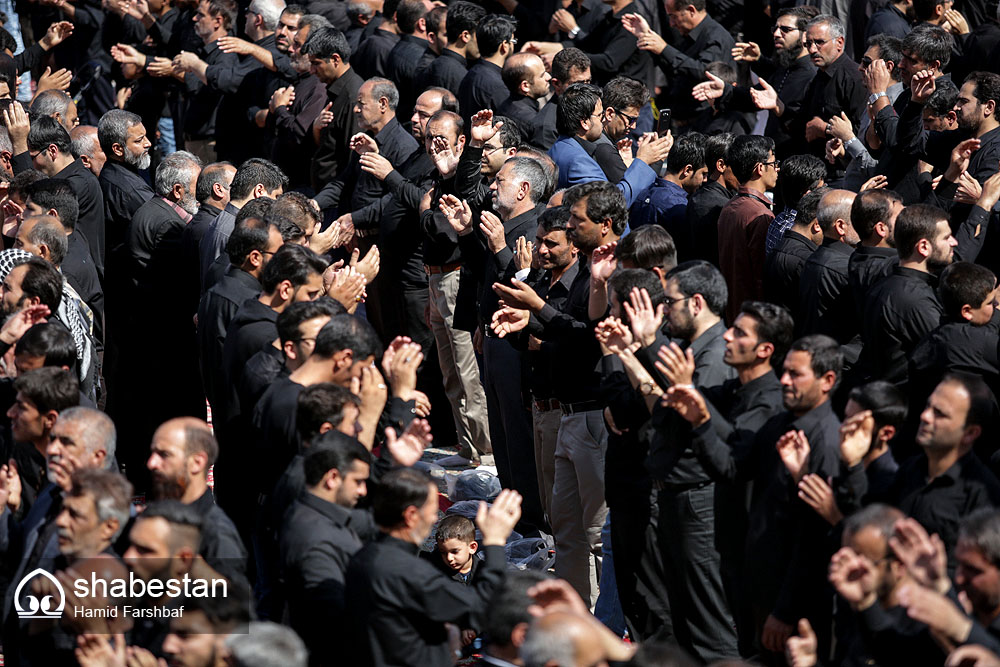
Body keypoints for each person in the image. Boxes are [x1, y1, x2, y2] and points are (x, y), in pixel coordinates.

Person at [666, 335, 844, 659]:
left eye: (796, 374)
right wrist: (701, 422)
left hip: (792, 605)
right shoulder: (780, 424)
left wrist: (785, 612)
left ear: (827, 380)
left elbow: (812, 540)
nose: (785, 381)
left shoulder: (827, 441)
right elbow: (734, 469)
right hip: (758, 587)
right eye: (785, 371)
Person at [345, 467, 522, 666]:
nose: (433, 519)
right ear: (412, 515)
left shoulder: (362, 555)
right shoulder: (411, 572)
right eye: (431, 512)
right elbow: (480, 607)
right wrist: (495, 542)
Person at [279, 435, 376, 665]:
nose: (363, 491)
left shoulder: (311, 510)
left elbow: (367, 522)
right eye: (358, 481)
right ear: (333, 477)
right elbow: (335, 623)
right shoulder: (317, 544)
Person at [146, 417, 248, 579]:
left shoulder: (216, 535)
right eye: (152, 453)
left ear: (197, 462)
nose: (152, 463)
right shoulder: (155, 517)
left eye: (164, 455)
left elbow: (230, 600)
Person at [25, 115, 105, 278]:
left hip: (77, 277)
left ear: (52, 151)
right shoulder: (69, 181)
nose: (32, 164)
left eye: (32, 158)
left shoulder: (79, 184)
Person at [716, 135, 779, 323]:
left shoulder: (730, 206)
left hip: (732, 312)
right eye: (774, 164)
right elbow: (760, 278)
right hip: (753, 317)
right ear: (760, 168)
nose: (777, 169)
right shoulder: (761, 216)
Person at [200, 156, 287, 283]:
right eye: (276, 196)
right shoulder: (238, 230)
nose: (277, 203)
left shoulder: (218, 220)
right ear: (259, 191)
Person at [630, 132, 708, 259]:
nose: (705, 180)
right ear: (687, 170)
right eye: (703, 174)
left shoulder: (643, 192)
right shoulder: (679, 208)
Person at [305, 26, 364, 192]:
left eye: (316, 64)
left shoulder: (353, 98)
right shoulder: (335, 90)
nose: (312, 70)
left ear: (335, 59)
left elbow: (351, 158)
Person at [796, 188, 859, 342]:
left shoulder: (813, 259)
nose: (867, 224)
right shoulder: (846, 268)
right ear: (840, 226)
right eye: (859, 218)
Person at [687, 132, 738, 266]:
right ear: (721, 165)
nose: (744, 170)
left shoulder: (699, 196)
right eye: (738, 163)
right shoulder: (721, 207)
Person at [457, 14, 516, 124]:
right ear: (504, 46)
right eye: (513, 42)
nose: (514, 46)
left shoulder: (471, 73)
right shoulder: (497, 85)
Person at [418, 1, 485, 96]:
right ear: (465, 35)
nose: (481, 42)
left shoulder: (432, 65)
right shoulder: (460, 75)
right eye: (478, 35)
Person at [531, 48, 592, 150]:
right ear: (556, 84)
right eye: (578, 84)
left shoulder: (594, 109)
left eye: (588, 82)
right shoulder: (547, 127)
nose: (587, 90)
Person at [496, 53, 551, 137]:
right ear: (525, 86)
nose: (548, 77)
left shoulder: (504, 106)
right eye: (542, 75)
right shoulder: (531, 122)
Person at [429, 514, 480, 582]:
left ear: (472, 547)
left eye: (454, 551)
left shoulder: (484, 572)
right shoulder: (434, 570)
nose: (449, 558)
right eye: (443, 552)